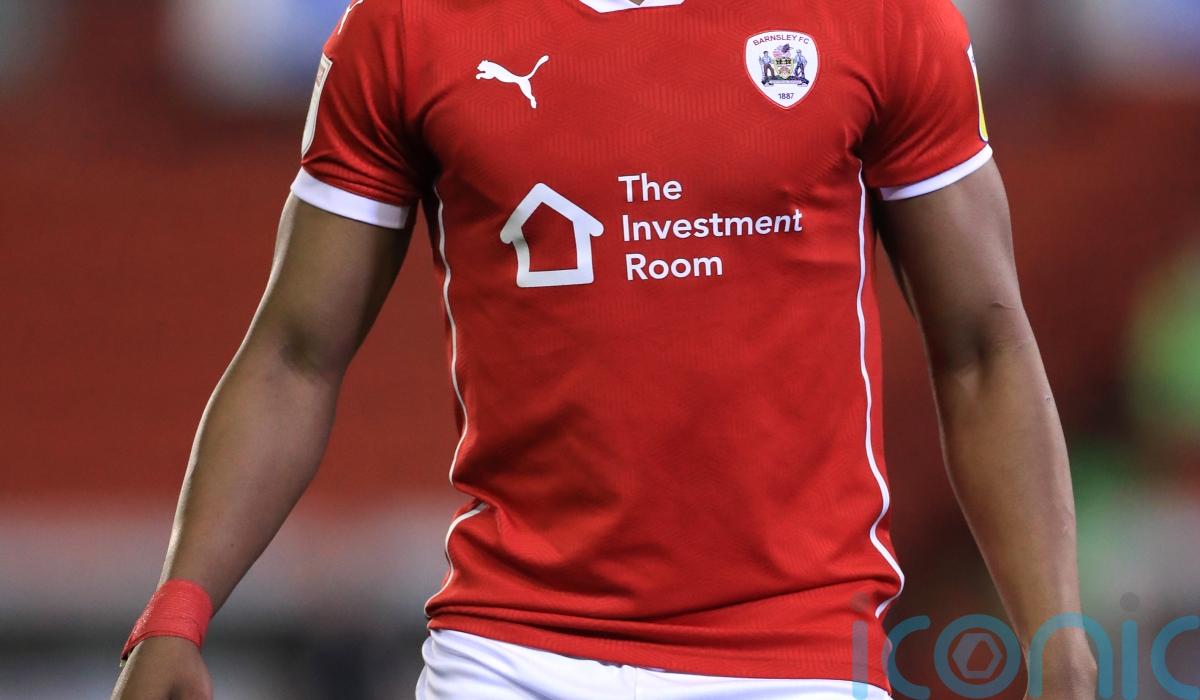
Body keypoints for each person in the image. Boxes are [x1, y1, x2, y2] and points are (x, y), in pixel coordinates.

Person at [112, 0, 1100, 697]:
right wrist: (179, 608)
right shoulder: (408, 25)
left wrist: (1056, 635)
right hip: (508, 655)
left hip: (795, 659)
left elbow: (982, 345)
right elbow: (294, 351)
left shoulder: (878, 14)